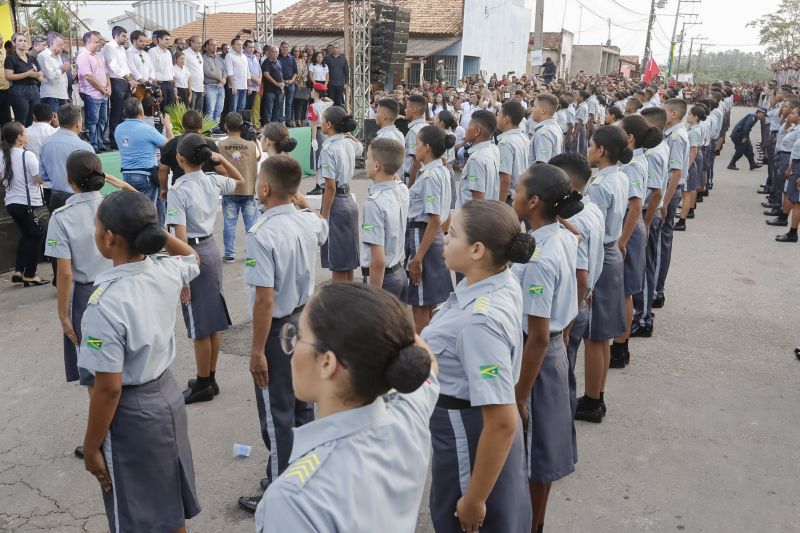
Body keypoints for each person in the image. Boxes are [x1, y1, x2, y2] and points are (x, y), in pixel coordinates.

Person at [254, 283, 437, 532]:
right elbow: (429, 363)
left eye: (300, 336)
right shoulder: (408, 415)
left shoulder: (294, 500)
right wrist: (377, 320)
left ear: (327, 363)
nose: (292, 346)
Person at [78, 191, 201, 533]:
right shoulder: (166, 270)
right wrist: (158, 235)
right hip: (167, 398)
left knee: (136, 517)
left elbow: (108, 389)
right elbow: (192, 256)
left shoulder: (105, 304)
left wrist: (91, 448)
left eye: (96, 226)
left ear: (109, 238)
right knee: (169, 507)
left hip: (133, 417)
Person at [422, 199, 534, 533]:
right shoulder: (495, 280)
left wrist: (474, 499)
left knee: (461, 519)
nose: (444, 237)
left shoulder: (479, 322)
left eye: (453, 234)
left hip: (468, 435)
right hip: (471, 428)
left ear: (477, 250)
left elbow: (501, 421)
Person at [237, 155, 329, 514]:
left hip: (278, 330)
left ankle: (280, 494)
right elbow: (322, 225)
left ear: (264, 188)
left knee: (277, 414)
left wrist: (257, 351)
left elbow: (264, 299)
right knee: (302, 405)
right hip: (304, 322)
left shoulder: (261, 233)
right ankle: (301, 477)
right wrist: (299, 199)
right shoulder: (307, 221)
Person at [511, 164, 583, 533]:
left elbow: (537, 335)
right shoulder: (562, 236)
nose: (513, 193)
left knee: (534, 456)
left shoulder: (539, 258)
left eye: (519, 189)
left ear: (534, 201)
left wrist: (520, 395)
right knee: (540, 451)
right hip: (551, 350)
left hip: (534, 357)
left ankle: (531, 524)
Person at [167, 134, 244, 403]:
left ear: (180, 159)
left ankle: (202, 384)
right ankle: (210, 378)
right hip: (210, 248)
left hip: (192, 253)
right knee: (212, 320)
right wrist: (222, 160)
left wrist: (183, 278)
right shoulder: (212, 179)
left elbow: (179, 237)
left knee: (200, 322)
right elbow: (240, 181)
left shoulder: (178, 190)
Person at [45, 151, 117, 388]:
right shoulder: (114, 206)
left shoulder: (61, 217)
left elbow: (64, 273)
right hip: (119, 288)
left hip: (86, 298)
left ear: (69, 180)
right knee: (121, 356)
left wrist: (63, 314)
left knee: (94, 363)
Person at [575, 125, 631, 423]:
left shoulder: (598, 185)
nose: (588, 149)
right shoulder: (620, 175)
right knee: (602, 336)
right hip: (611, 252)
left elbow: (590, 228)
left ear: (602, 151)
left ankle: (592, 400)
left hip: (601, 255)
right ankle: (597, 395)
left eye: (591, 145)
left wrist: (588, 280)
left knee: (594, 337)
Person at [548, 152, 605, 438]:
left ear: (567, 185)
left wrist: (569, 323)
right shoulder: (591, 209)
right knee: (566, 372)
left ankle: (560, 433)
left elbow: (580, 276)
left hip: (569, 309)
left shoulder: (577, 219)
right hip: (582, 301)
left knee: (560, 377)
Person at [612, 115, 661, 368]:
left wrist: (622, 241)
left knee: (625, 291)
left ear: (629, 137)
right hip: (630, 225)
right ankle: (620, 343)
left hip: (628, 227)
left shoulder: (632, 165)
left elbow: (634, 207)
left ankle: (620, 347)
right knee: (624, 289)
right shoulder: (634, 160)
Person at [406, 125, 454, 332]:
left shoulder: (430, 176)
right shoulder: (441, 170)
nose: (414, 148)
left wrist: (418, 258)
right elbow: (445, 213)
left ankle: (424, 347)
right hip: (433, 237)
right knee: (431, 304)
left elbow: (433, 219)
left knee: (420, 307)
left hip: (423, 236)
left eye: (417, 143)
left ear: (426, 147)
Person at [632, 107, 668, 338]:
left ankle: (644, 318)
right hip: (648, 211)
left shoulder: (653, 152)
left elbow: (655, 192)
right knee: (645, 264)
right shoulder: (655, 148)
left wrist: (645, 223)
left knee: (644, 266)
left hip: (647, 212)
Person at [360, 138, 409, 299]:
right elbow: (395, 177)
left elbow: (378, 260)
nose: (365, 162)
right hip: (399, 272)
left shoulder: (373, 204)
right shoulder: (402, 189)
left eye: (368, 158)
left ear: (376, 166)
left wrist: (375, 295)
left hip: (383, 280)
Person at [318, 106, 362, 282]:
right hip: (348, 201)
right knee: (347, 260)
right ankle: (348, 296)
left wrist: (323, 217)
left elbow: (330, 187)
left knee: (337, 261)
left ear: (329, 124)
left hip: (335, 203)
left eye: (323, 120)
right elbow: (360, 147)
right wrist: (347, 132)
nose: (321, 123)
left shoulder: (328, 149)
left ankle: (339, 298)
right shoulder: (349, 143)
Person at [1, 121, 48, 286]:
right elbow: (38, 179)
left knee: (27, 235)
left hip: (11, 203)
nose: (27, 134)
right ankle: (30, 274)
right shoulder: (27, 155)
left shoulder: (2, 155)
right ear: (19, 138)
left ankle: (19, 270)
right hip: (29, 203)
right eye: (24, 132)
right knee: (38, 235)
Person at [115, 97, 174, 225]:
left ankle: (153, 231)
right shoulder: (147, 129)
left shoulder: (118, 129)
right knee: (147, 212)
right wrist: (167, 126)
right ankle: (150, 233)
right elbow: (170, 145)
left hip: (127, 175)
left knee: (133, 210)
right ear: (141, 112)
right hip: (145, 176)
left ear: (125, 112)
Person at [655, 98, 690, 309]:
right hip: (667, 189)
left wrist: (664, 203)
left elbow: (676, 173)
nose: (662, 113)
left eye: (665, 111)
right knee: (660, 240)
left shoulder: (676, 137)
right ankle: (655, 287)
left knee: (661, 241)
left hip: (669, 190)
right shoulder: (671, 134)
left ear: (674, 114)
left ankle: (657, 290)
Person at [218, 112, 263, 263]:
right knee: (251, 225)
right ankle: (251, 253)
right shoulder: (250, 145)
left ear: (225, 126)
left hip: (229, 188)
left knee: (229, 224)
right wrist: (255, 140)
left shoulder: (221, 145)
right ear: (241, 125)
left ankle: (229, 254)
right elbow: (258, 157)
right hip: (248, 189)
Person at [158, 110, 219, 192]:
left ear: (182, 125)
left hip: (179, 189)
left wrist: (163, 189)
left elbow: (163, 170)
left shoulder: (172, 144)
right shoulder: (210, 145)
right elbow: (221, 170)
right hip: (204, 190)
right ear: (201, 125)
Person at [76, 31, 110, 153]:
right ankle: (93, 145)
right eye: (97, 42)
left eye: (100, 41)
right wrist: (102, 88)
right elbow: (88, 76)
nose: (99, 44)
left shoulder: (98, 55)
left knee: (103, 120)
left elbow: (106, 73)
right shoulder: (83, 56)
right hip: (92, 94)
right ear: (88, 43)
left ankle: (100, 142)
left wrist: (109, 87)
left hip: (104, 93)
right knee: (92, 120)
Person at [458, 110, 500, 206]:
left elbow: (478, 201)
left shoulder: (476, 159)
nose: (466, 129)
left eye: (469, 126)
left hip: (472, 214)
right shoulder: (493, 149)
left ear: (477, 131)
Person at [675, 105, 708, 231]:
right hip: (689, 160)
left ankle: (682, 221)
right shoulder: (693, 128)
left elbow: (693, 151)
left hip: (689, 162)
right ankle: (685, 215)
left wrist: (686, 169)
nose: (687, 116)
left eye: (689, 114)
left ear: (695, 117)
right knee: (687, 191)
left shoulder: (694, 131)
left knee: (686, 193)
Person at [4, 33, 42, 127]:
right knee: (21, 120)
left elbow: (41, 77)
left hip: (34, 90)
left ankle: (30, 136)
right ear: (14, 43)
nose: (23, 43)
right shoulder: (11, 58)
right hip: (19, 90)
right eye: (20, 41)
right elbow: (8, 76)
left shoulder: (32, 58)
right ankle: (20, 136)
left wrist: (36, 75)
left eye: (25, 41)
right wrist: (27, 74)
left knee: (33, 120)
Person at [37, 32, 70, 114]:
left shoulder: (58, 55)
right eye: (59, 44)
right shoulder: (43, 56)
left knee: (62, 120)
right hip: (51, 95)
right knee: (53, 120)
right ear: (51, 44)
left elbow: (62, 76)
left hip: (61, 94)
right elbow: (51, 76)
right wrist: (63, 69)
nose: (62, 47)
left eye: (62, 44)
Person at [529, 93, 564, 166]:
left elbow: (542, 164)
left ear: (543, 110)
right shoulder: (555, 126)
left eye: (534, 106)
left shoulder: (543, 133)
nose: (531, 109)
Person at [402, 95, 428, 185]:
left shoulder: (413, 131)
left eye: (407, 107)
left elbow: (416, 161)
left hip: (413, 178)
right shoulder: (426, 127)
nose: (405, 110)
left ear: (414, 109)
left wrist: (411, 185)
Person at [149, 30, 177, 108]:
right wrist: (157, 87)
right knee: (161, 109)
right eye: (166, 39)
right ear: (159, 39)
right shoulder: (153, 51)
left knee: (171, 109)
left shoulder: (168, 52)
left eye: (169, 39)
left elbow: (171, 70)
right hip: (159, 84)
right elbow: (151, 70)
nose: (168, 42)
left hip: (170, 84)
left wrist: (174, 87)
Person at [202, 39, 226, 123]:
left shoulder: (220, 58)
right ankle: (209, 128)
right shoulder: (203, 58)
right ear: (206, 46)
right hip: (210, 86)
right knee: (210, 110)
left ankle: (216, 127)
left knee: (219, 109)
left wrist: (223, 80)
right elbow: (208, 72)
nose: (215, 47)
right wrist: (221, 79)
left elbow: (225, 70)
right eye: (212, 45)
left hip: (221, 87)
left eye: (216, 45)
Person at [261, 45, 284, 125]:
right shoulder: (266, 62)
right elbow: (266, 75)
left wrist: (282, 87)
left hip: (279, 91)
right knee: (268, 110)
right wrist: (277, 84)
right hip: (269, 91)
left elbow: (281, 75)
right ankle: (267, 127)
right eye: (273, 52)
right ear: (269, 53)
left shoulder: (279, 62)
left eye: (276, 52)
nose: (275, 54)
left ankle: (274, 127)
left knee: (276, 110)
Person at [225, 38, 249, 114]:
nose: (240, 46)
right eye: (238, 44)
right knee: (233, 108)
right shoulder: (229, 56)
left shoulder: (244, 56)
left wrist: (249, 85)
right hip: (235, 86)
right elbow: (229, 72)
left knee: (242, 108)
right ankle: (232, 122)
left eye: (241, 44)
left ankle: (240, 122)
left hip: (244, 86)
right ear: (232, 46)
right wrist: (233, 86)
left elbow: (247, 71)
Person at [278, 41, 298, 127]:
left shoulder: (292, 58)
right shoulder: (277, 57)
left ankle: (288, 121)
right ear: (280, 48)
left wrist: (292, 80)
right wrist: (281, 80)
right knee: (280, 103)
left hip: (290, 83)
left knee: (289, 103)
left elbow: (295, 72)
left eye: (286, 47)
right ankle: (280, 121)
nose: (285, 49)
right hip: (281, 84)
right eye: (283, 47)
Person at [184, 36, 205, 112]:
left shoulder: (199, 54)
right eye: (198, 43)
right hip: (191, 88)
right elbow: (183, 70)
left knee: (199, 111)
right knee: (190, 111)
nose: (200, 45)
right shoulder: (185, 53)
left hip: (200, 87)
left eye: (201, 43)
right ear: (191, 43)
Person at [243, 40, 262, 112]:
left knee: (250, 107)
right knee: (245, 107)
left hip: (255, 86)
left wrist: (259, 79)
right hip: (247, 86)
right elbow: (245, 71)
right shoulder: (243, 56)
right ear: (245, 47)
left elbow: (260, 70)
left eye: (253, 47)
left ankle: (247, 119)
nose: (252, 49)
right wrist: (256, 80)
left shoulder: (255, 57)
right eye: (250, 47)